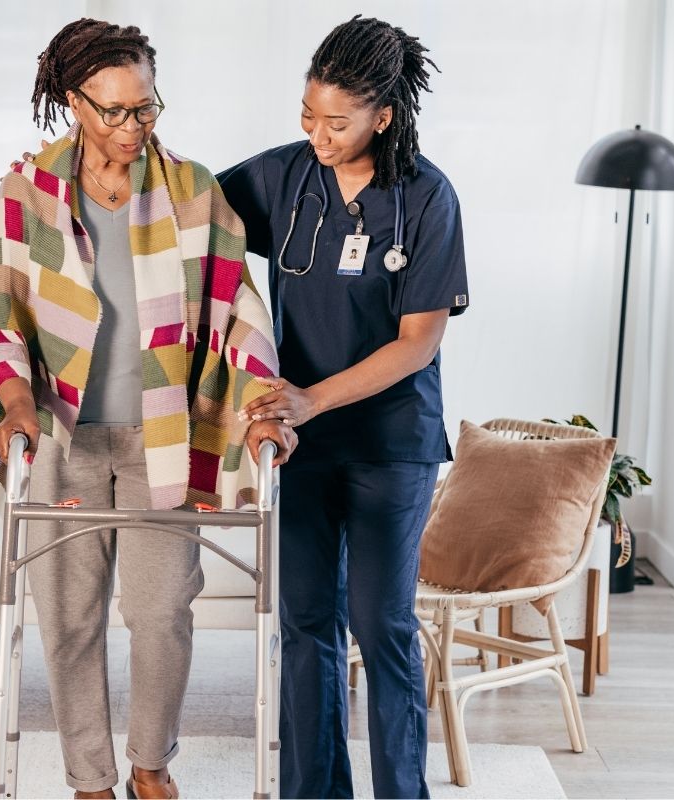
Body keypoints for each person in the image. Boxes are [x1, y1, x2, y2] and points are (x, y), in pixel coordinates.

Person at [0, 19, 296, 800]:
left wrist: (262, 408)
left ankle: (151, 765)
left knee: (159, 614)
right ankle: (90, 782)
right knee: (70, 621)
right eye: (112, 110)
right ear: (71, 101)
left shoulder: (193, 192)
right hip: (60, 437)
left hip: (163, 438)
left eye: (145, 107)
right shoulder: (28, 193)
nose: (131, 126)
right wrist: (11, 400)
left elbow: (238, 312)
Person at [217, 16, 469, 799]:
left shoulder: (427, 198)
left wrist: (309, 399)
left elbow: (417, 342)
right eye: (307, 116)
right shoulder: (282, 177)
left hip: (392, 445)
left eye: (337, 122)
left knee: (382, 626)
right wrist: (70, 170)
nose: (317, 135)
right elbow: (183, 211)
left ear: (383, 117)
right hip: (299, 445)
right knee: (303, 628)